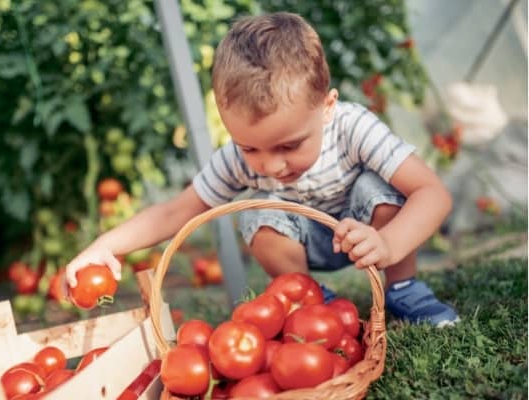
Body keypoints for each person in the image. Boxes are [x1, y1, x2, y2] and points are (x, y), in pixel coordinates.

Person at [66, 12, 459, 327]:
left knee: (378, 185)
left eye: (289, 145)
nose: (270, 164)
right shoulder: (236, 161)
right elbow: (176, 211)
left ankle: (403, 287)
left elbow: (433, 194)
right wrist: (104, 246)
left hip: (369, 233)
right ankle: (308, 298)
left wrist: (388, 243)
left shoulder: (353, 127)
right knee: (259, 208)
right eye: (249, 147)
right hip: (303, 245)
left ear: (326, 106)